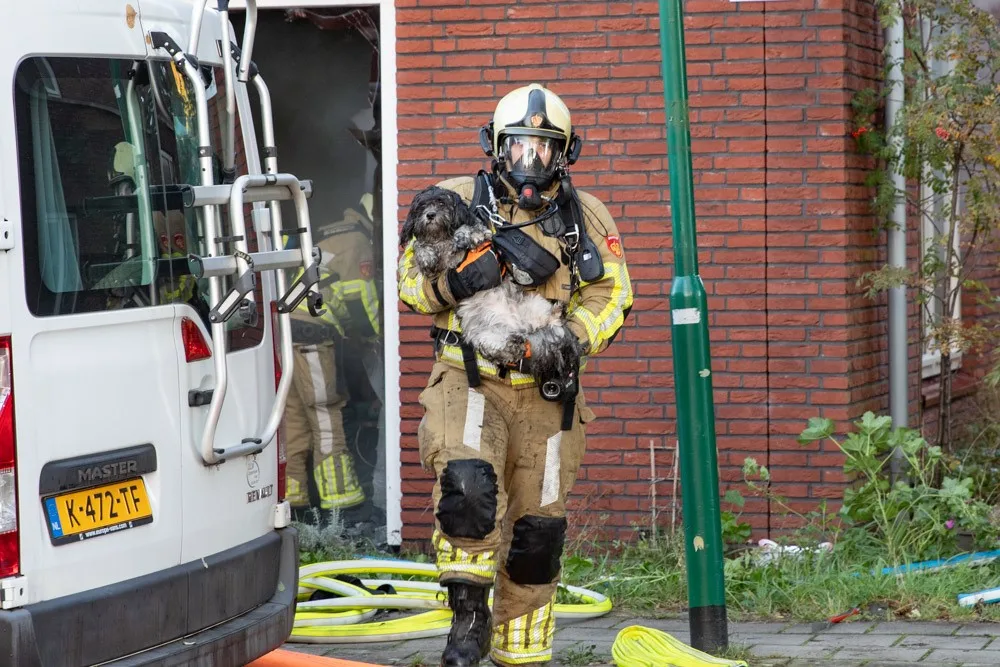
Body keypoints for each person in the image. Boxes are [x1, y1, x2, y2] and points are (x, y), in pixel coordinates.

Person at [397, 83, 633, 667]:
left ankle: (522, 654)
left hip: (548, 399)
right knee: (470, 488)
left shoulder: (587, 217)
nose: (531, 162)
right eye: (520, 148)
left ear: (565, 152)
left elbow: (614, 294)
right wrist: (452, 285)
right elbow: (407, 280)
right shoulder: (452, 200)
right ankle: (468, 616)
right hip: (469, 378)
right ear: (496, 148)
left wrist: (564, 343)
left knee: (537, 535)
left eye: (544, 149)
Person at [282, 198, 379, 523]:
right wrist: (375, 336)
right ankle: (343, 504)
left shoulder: (330, 235)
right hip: (312, 337)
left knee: (295, 420)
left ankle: (295, 502)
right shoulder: (357, 240)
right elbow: (359, 297)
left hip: (288, 334)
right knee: (326, 416)